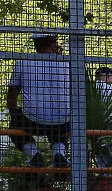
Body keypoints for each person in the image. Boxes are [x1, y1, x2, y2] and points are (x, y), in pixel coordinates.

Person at [6, 33, 72, 166]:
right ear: (54, 42)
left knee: (14, 126)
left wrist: (14, 114)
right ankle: (59, 153)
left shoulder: (24, 61)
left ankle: (33, 153)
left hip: (32, 120)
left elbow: (12, 95)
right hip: (63, 121)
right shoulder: (68, 62)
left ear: (36, 45)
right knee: (58, 125)